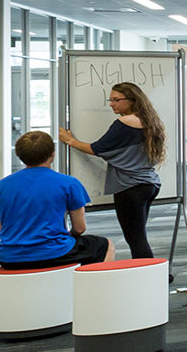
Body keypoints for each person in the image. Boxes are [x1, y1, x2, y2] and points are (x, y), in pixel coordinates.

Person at [59, 82, 165, 260]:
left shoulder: (124, 123)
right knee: (139, 236)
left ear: (132, 100)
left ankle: (150, 277)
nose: (111, 104)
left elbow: (97, 148)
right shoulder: (149, 120)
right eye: (111, 99)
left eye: (116, 100)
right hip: (149, 184)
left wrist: (70, 140)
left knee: (135, 238)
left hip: (130, 187)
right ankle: (153, 273)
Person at [0, 131, 114, 269]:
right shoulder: (68, 183)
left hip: (9, 257)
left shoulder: (0, 187)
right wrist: (68, 235)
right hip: (55, 253)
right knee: (106, 245)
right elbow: (80, 228)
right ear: (52, 155)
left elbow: (2, 229)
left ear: (19, 156)